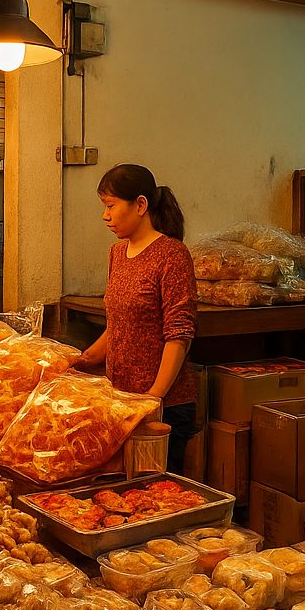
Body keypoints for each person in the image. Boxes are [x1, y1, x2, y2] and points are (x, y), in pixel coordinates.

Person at [74, 164, 199, 472]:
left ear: (140, 205)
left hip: (162, 408)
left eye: (111, 206)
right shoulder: (117, 253)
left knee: (157, 497)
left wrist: (153, 398)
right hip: (122, 401)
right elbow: (118, 325)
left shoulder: (172, 255)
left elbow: (179, 334)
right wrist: (81, 360)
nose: (105, 216)